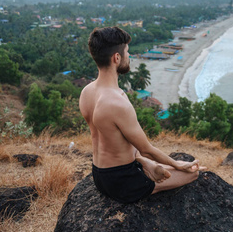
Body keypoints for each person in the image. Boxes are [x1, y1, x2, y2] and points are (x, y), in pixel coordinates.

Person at [79, 26, 204, 204]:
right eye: (127, 52)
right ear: (117, 58)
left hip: (99, 176)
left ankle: (147, 165)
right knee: (192, 174)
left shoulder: (86, 92)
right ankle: (147, 168)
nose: (129, 57)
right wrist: (177, 164)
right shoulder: (117, 102)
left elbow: (117, 142)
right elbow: (146, 148)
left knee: (141, 153)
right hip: (124, 182)